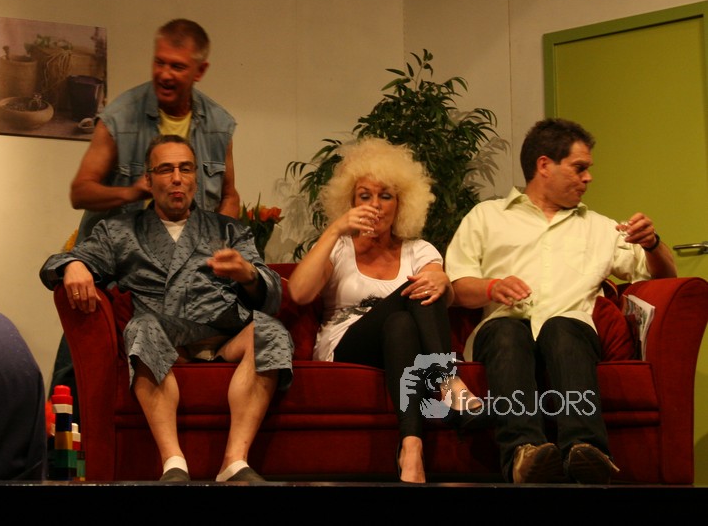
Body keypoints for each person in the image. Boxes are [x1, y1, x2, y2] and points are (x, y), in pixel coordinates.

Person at [40, 135, 292, 482]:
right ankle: (173, 462)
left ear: (195, 179)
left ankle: (235, 462)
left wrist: (248, 274)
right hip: (165, 340)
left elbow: (273, 295)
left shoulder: (228, 229)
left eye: (185, 169)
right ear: (148, 180)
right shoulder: (121, 231)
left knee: (271, 332)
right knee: (141, 328)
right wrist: (73, 265)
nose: (177, 178)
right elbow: (57, 261)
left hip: (226, 336)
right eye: (166, 169)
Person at [446, 117, 677, 484]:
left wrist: (652, 243)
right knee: (508, 330)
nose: (589, 178)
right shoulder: (486, 217)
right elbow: (456, 287)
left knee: (563, 327)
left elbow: (663, 277)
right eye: (579, 168)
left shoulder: (600, 227)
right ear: (544, 165)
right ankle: (524, 454)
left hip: (571, 334)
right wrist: (491, 288)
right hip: (502, 330)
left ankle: (587, 451)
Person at [53, 18, 241, 411]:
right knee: (80, 349)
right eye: (160, 62)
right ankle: (64, 437)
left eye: (177, 66)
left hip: (186, 261)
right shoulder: (121, 116)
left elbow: (229, 195)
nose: (165, 74)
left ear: (200, 71)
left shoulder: (218, 124)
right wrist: (133, 191)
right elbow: (80, 190)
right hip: (117, 261)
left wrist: (224, 243)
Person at [287, 137, 482, 483]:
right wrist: (335, 229)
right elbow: (299, 292)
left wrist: (442, 281)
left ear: (402, 203)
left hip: (400, 347)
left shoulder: (418, 250)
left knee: (402, 322)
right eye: (365, 196)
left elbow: (441, 289)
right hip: (348, 345)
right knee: (414, 290)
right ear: (350, 202)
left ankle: (411, 450)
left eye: (386, 196)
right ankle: (447, 381)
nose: (375, 205)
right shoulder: (339, 248)